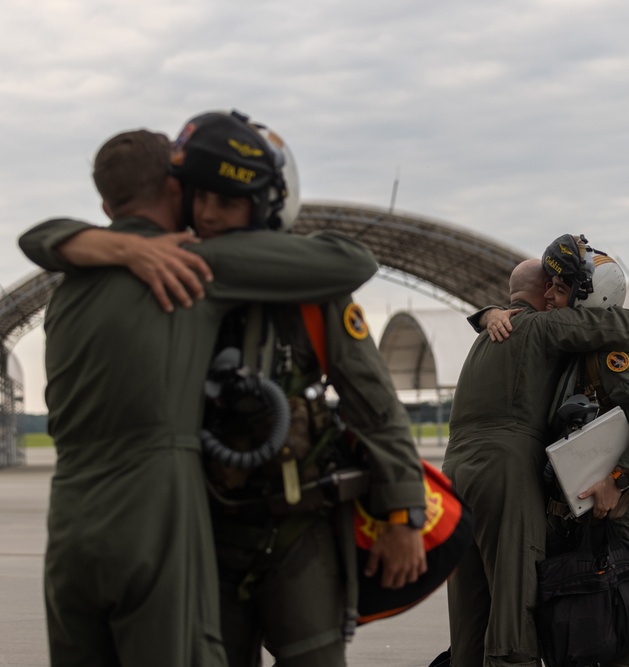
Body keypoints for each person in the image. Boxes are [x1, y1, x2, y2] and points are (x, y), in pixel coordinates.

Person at [18, 127, 380, 667]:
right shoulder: (193, 264)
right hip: (152, 509)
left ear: (104, 203)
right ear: (174, 186)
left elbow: (37, 237)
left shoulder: (70, 280)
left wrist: (110, 242)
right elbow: (351, 262)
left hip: (70, 521)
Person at [170, 110, 427, 667]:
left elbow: (375, 406)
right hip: (202, 530)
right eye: (200, 196)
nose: (210, 213)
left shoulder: (315, 294)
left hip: (298, 530)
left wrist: (404, 514)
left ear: (264, 203)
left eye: (228, 199)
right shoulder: (172, 281)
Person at [443, 240, 629, 667]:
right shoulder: (540, 326)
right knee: (514, 592)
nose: (559, 297)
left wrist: (486, 314)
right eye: (554, 288)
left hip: (454, 473)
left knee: (469, 603)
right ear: (542, 291)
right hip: (504, 468)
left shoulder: (484, 339)